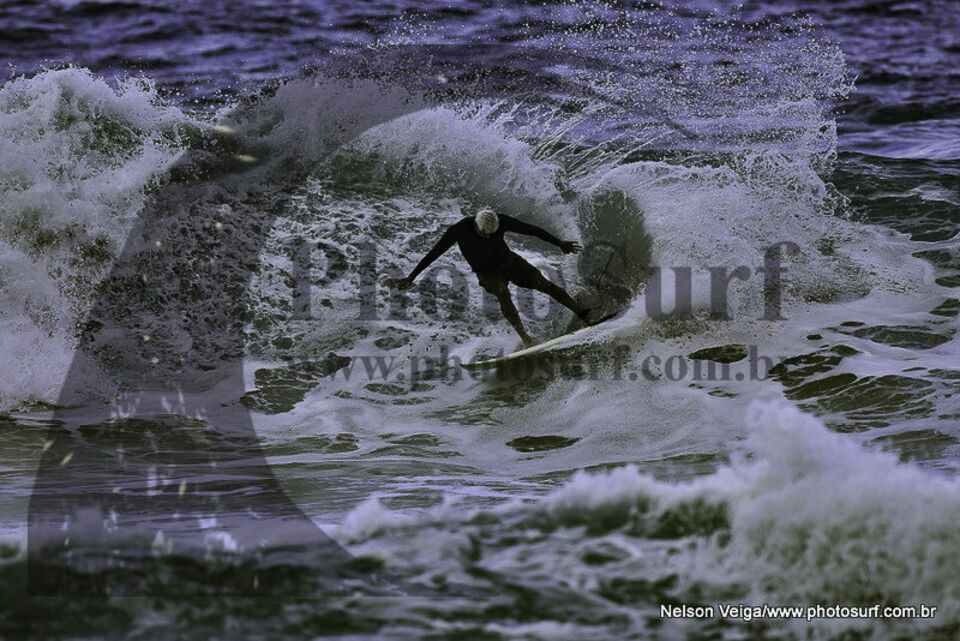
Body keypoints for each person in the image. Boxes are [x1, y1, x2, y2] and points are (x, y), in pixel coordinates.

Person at [395, 209, 594, 348]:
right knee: (501, 292)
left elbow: (531, 230)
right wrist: (412, 276)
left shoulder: (500, 220)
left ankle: (583, 314)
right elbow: (434, 252)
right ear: (476, 225)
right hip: (486, 273)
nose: (489, 237)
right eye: (484, 234)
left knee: (545, 285)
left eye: (493, 233)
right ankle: (526, 338)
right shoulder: (459, 230)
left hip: (510, 263)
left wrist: (558, 242)